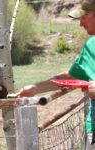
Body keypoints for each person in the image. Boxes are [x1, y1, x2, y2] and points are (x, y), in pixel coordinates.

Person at [17, 0, 95, 149]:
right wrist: (35, 88)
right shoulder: (91, 45)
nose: (80, 24)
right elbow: (71, 77)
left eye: (83, 18)